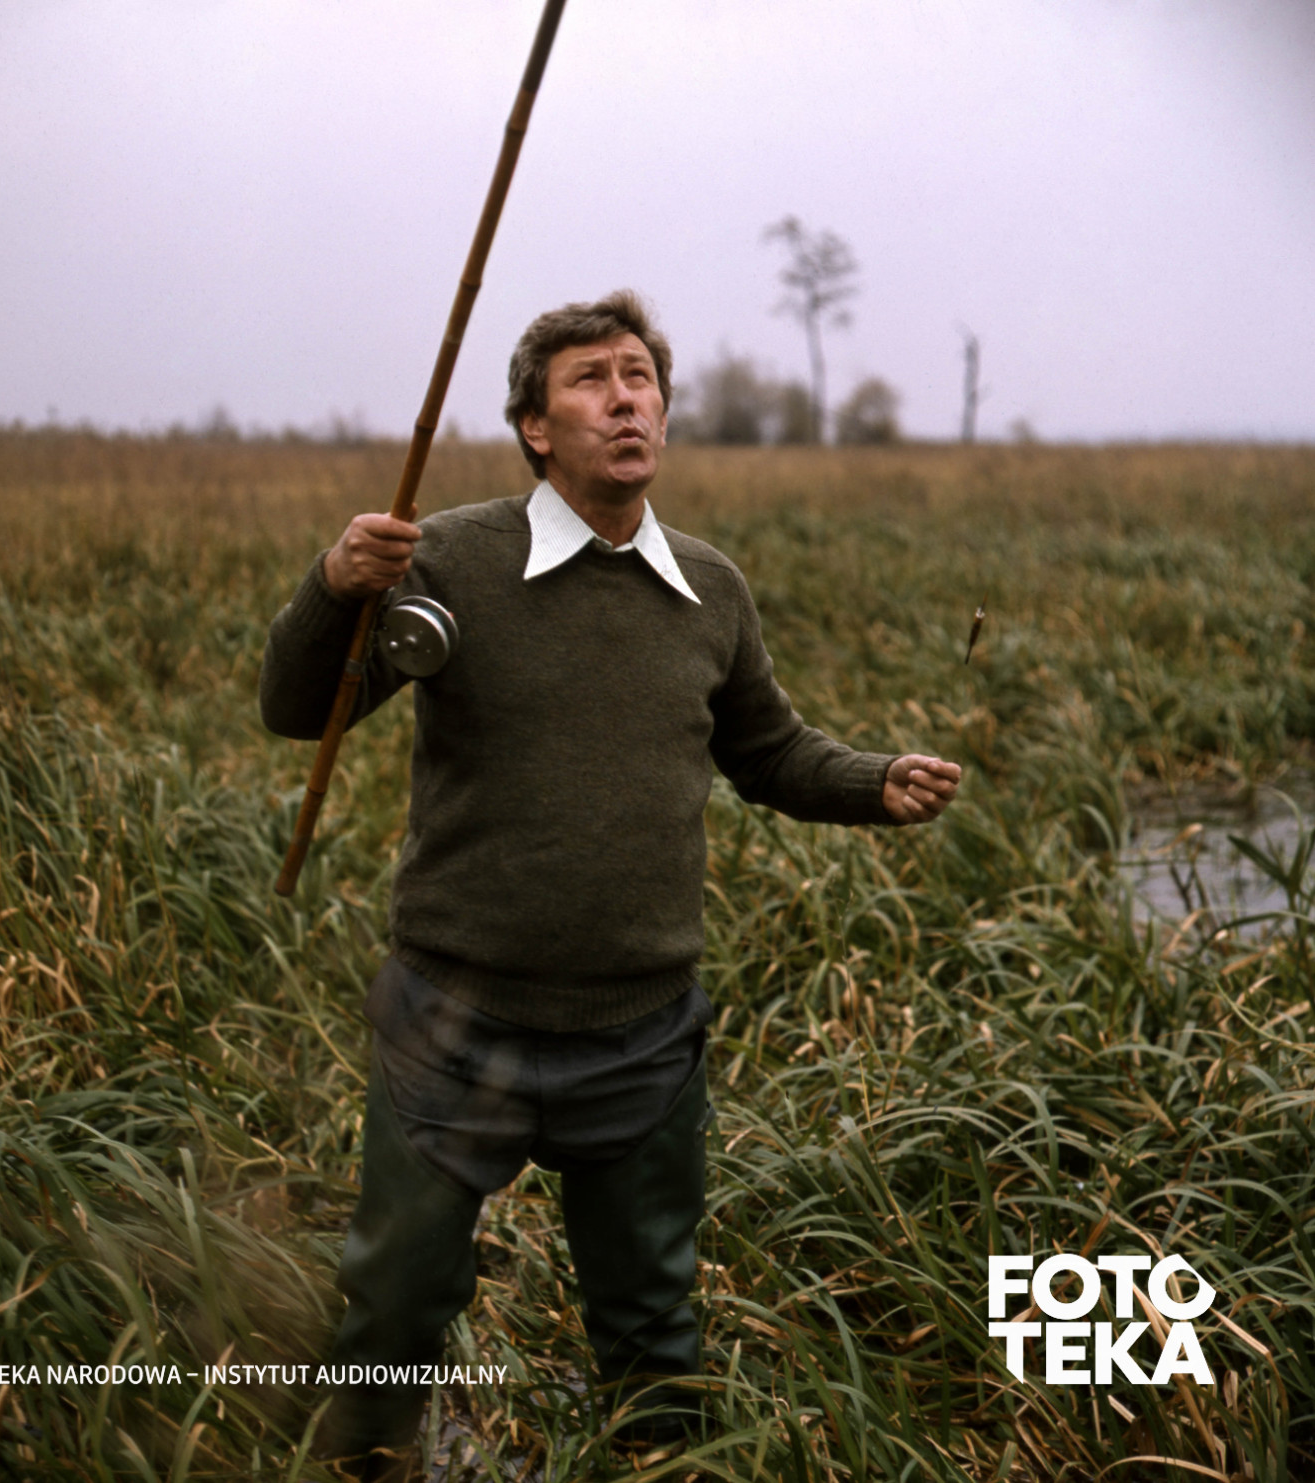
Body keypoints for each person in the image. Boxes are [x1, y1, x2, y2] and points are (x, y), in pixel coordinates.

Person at [259, 290, 961, 1477]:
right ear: (536, 427)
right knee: (394, 1310)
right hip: (453, 1024)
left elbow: (769, 751)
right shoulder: (450, 559)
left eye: (641, 378)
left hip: (642, 1034)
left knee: (653, 1338)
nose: (626, 399)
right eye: (592, 380)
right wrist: (336, 584)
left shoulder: (710, 588)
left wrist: (872, 781)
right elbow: (295, 708)